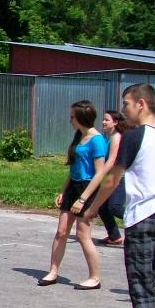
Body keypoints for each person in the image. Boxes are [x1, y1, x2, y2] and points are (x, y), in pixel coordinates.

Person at [83, 84, 155, 308]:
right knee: (151, 275)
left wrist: (93, 208)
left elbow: (111, 180)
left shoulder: (134, 137)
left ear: (141, 104)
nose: (124, 110)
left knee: (139, 278)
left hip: (144, 215)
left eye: (127, 104)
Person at [37, 100, 104, 290]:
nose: (70, 120)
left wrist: (83, 199)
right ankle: (53, 271)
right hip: (73, 186)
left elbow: (100, 173)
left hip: (87, 189)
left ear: (82, 117)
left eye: (72, 117)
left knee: (82, 235)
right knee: (61, 232)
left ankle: (94, 277)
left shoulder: (97, 140)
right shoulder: (79, 136)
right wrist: (63, 190)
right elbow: (73, 168)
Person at [84, 109, 131, 246]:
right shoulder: (109, 137)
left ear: (115, 122)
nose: (103, 122)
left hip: (120, 178)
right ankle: (114, 236)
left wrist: (99, 175)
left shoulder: (116, 137)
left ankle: (139, 221)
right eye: (103, 119)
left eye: (107, 120)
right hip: (113, 176)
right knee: (102, 207)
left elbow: (111, 161)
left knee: (114, 207)